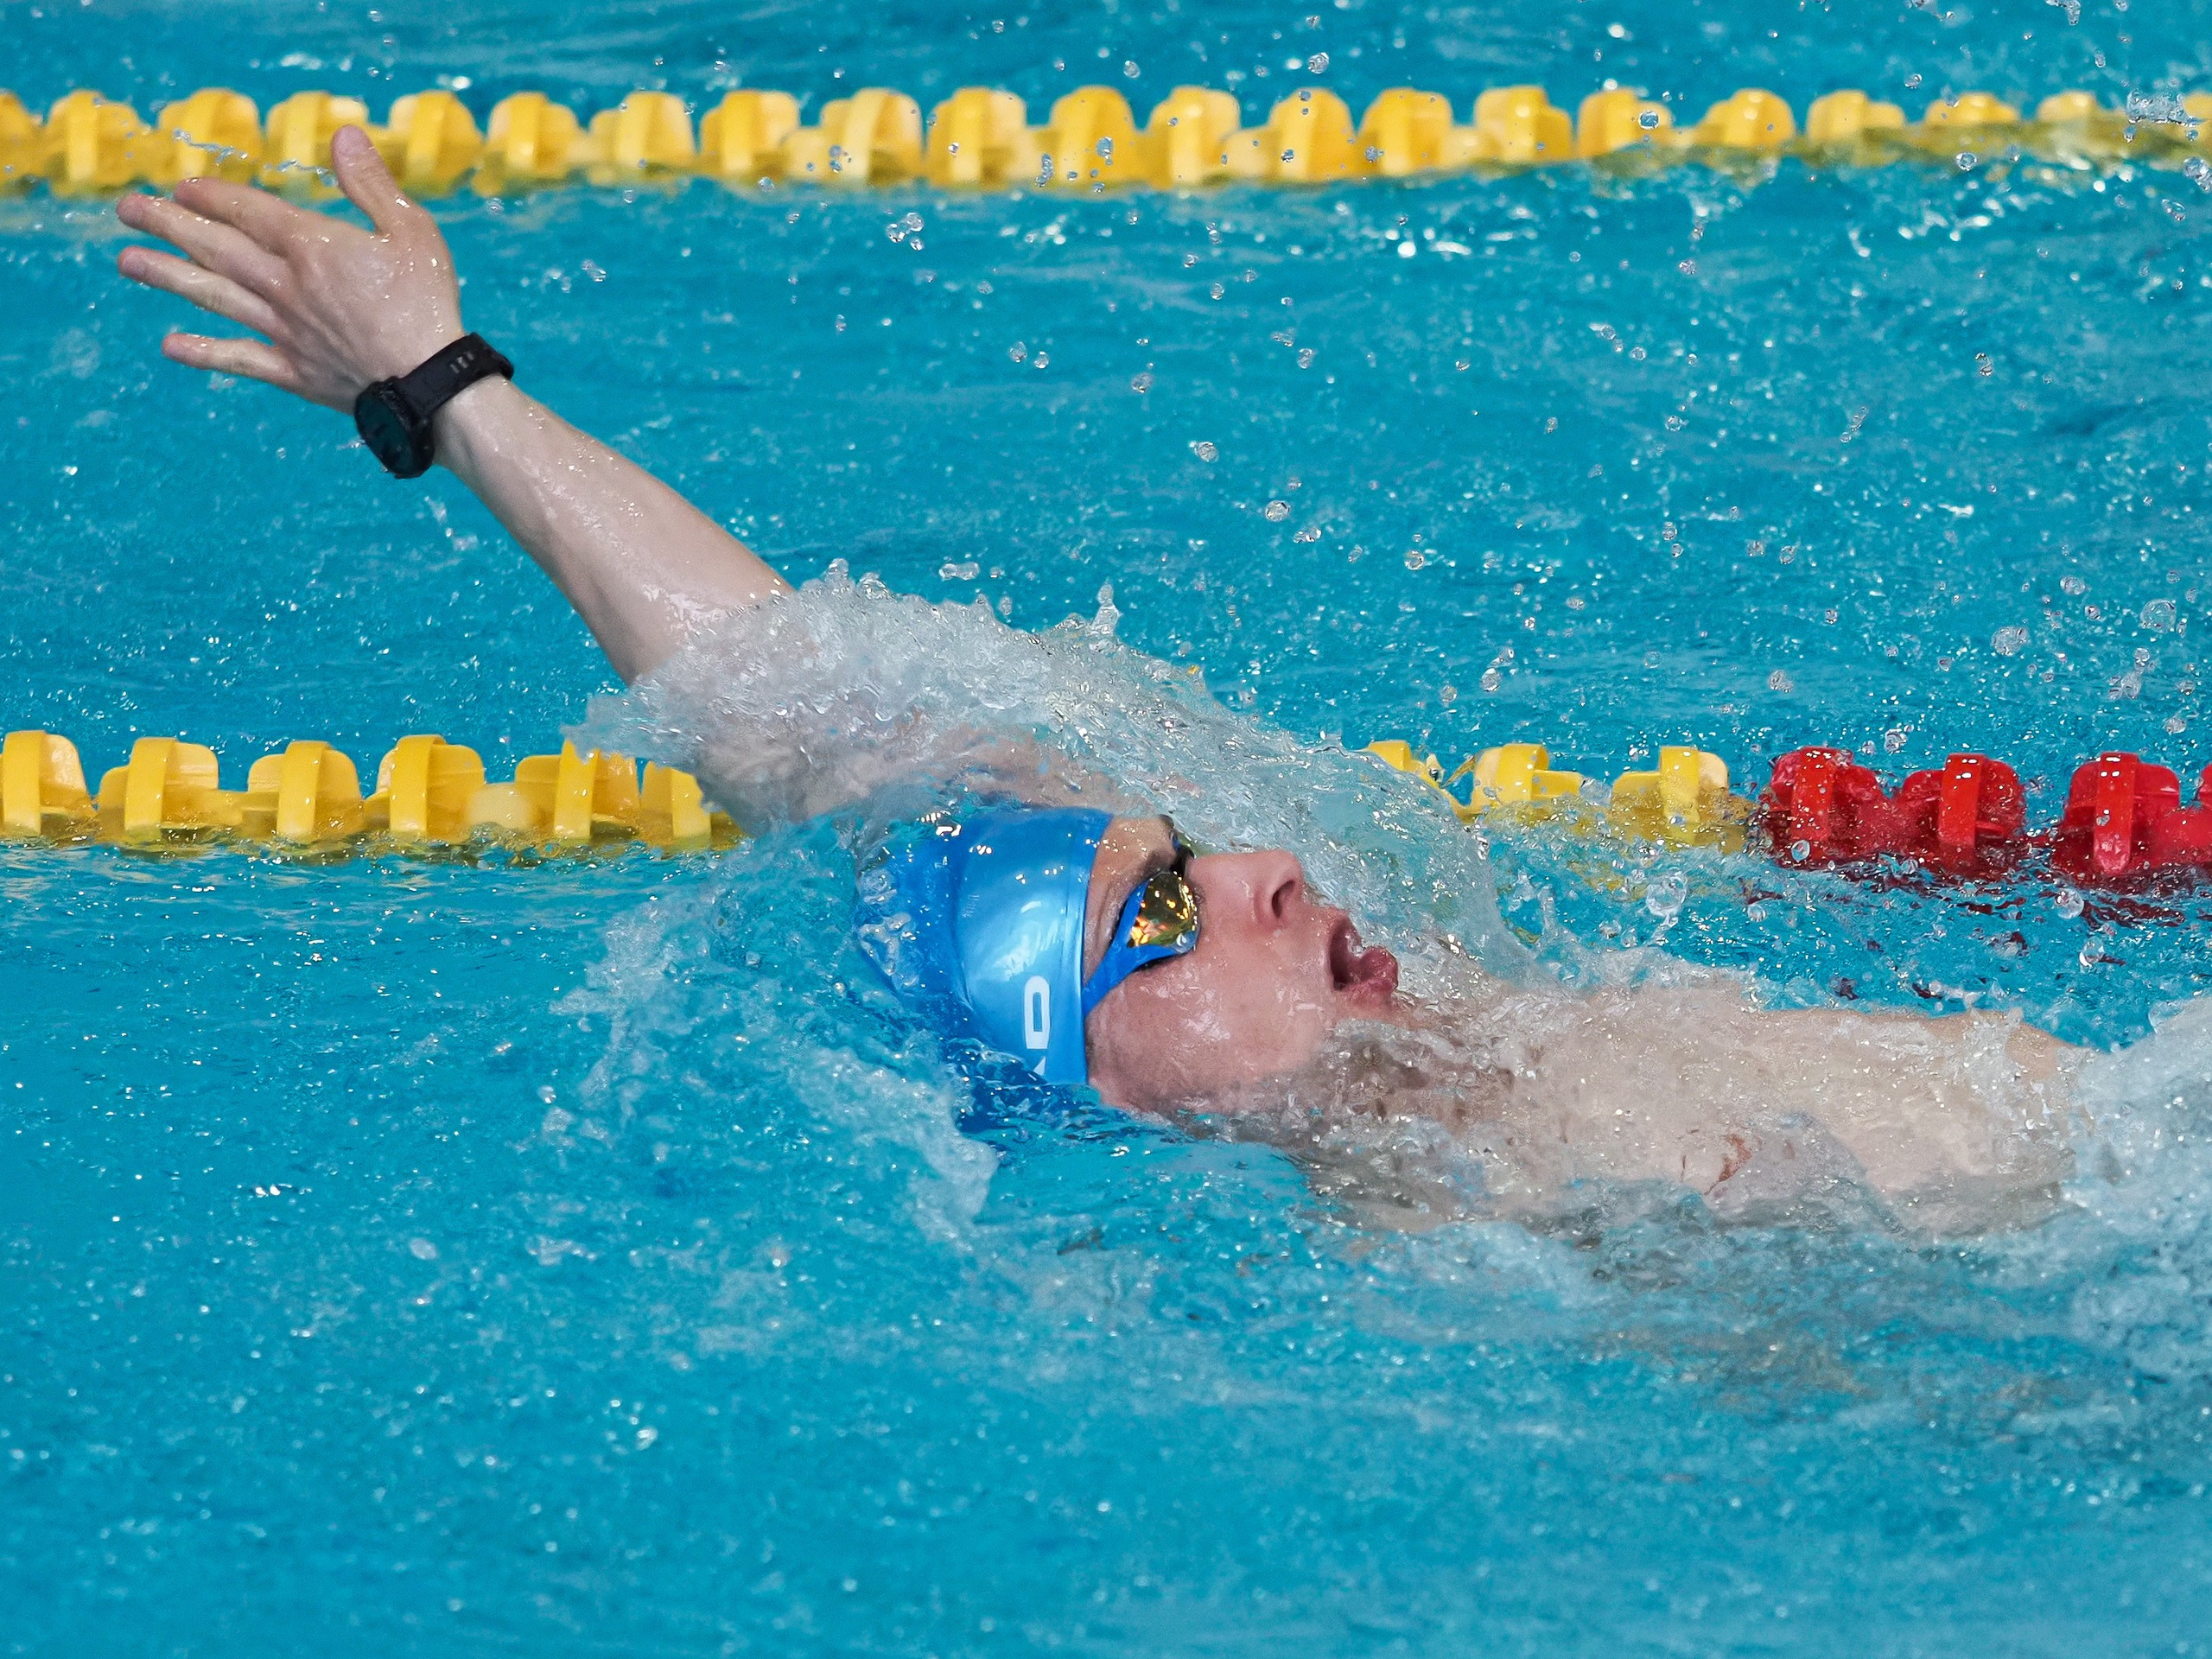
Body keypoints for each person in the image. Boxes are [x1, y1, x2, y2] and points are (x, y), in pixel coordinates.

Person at [111, 126, 2092, 1232]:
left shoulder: (1478, 1052)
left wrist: (450, 388)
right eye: (1164, 913)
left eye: (1191, 852)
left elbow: (794, 700)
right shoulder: (1502, 1246)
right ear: (1090, 1086)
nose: (1262, 875)